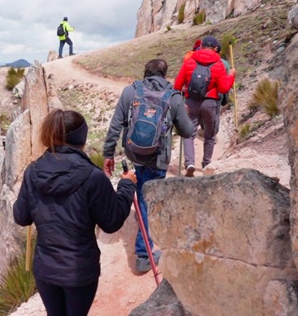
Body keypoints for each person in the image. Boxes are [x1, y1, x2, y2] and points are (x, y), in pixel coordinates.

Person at [13, 109, 136, 316]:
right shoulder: (93, 177)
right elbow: (112, 222)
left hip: (46, 270)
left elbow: (21, 216)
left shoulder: (33, 172)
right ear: (82, 138)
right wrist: (126, 187)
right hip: (79, 272)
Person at [102, 59, 194, 273]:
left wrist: (108, 154)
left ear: (146, 73)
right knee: (147, 200)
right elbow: (188, 132)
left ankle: (144, 227)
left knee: (143, 192)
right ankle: (144, 255)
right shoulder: (174, 97)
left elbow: (115, 125)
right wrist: (183, 112)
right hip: (158, 158)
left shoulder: (130, 92)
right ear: (165, 74)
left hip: (134, 152)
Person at [173, 36, 235, 177]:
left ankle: (189, 163)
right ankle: (206, 164)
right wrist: (231, 76)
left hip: (191, 102)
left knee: (189, 134)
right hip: (210, 103)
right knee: (210, 135)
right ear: (214, 48)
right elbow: (223, 88)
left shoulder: (189, 61)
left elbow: (177, 85)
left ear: (200, 47)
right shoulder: (219, 64)